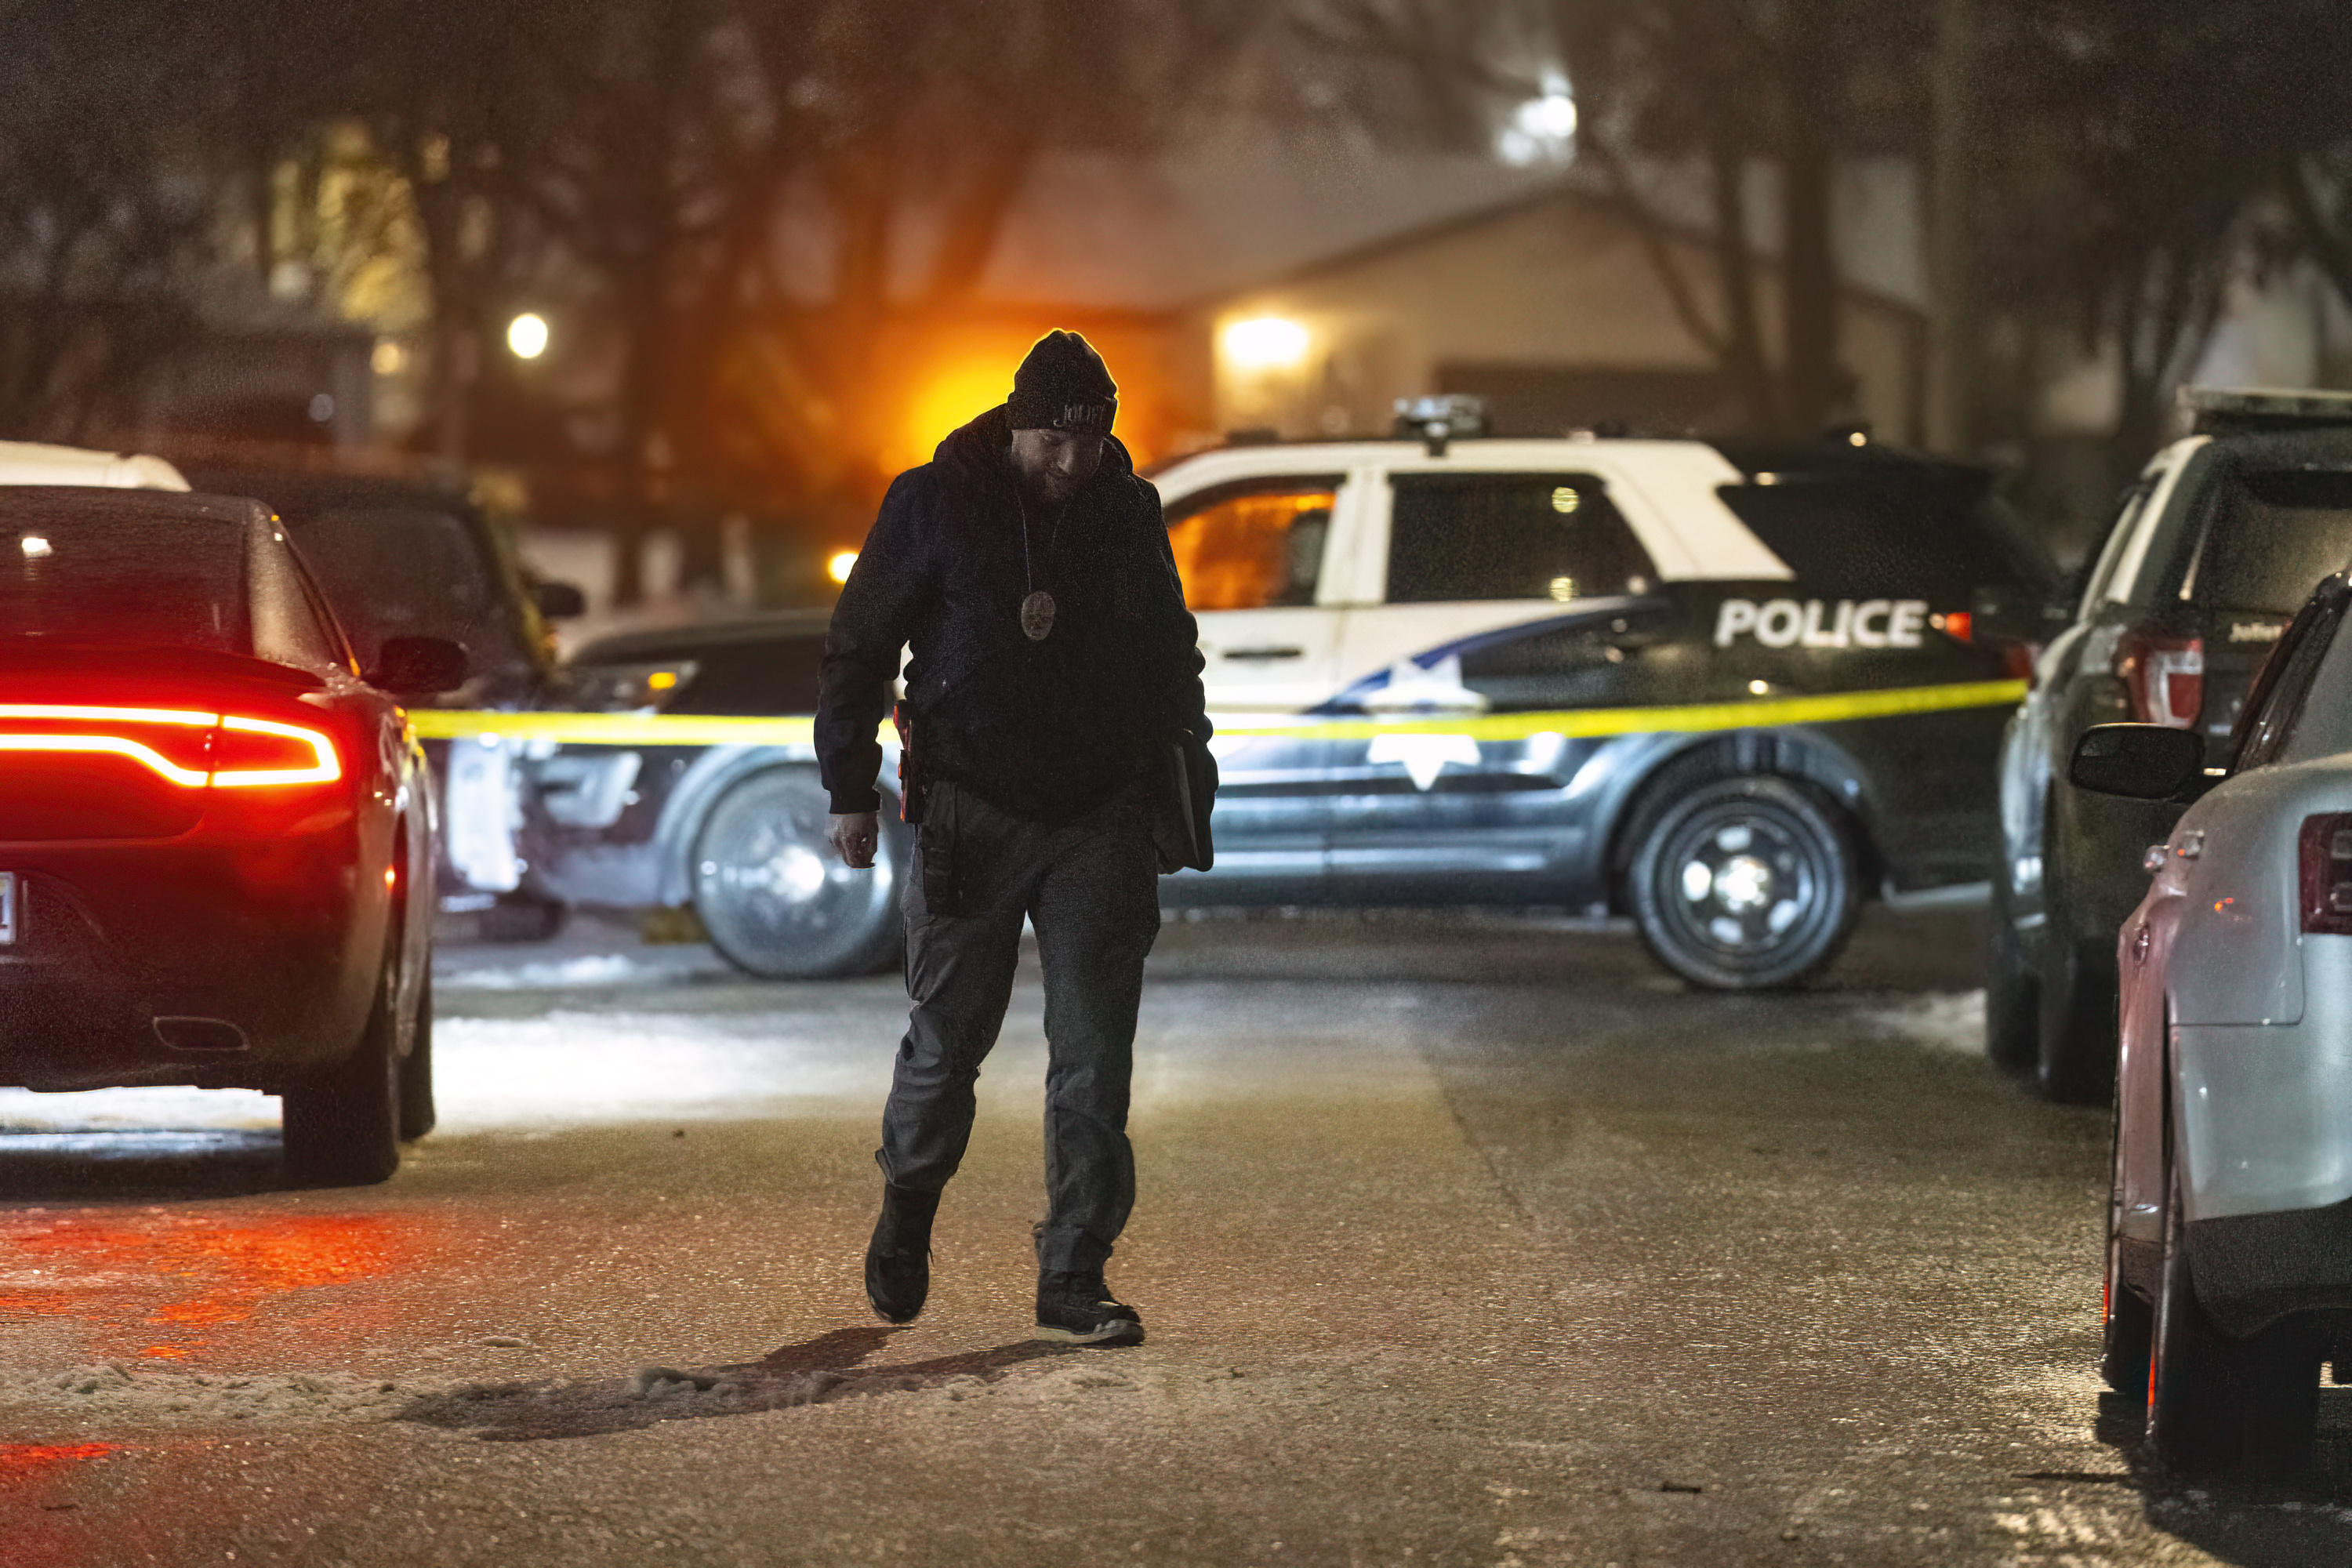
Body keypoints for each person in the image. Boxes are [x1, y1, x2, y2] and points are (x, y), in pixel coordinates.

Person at [815, 330, 1210, 1347]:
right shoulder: (934, 503)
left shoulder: (1127, 513)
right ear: (1018, 425)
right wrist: (849, 790)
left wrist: (1186, 777)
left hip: (1100, 818)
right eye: (1052, 441)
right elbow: (859, 646)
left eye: (1089, 442)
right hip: (970, 813)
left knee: (1093, 1055)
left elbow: (1173, 654)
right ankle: (908, 1207)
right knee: (946, 1045)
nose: (1070, 462)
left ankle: (1075, 1269)